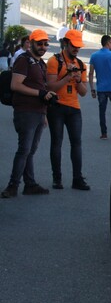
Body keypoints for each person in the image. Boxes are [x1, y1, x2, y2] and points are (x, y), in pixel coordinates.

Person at [1, 29, 57, 198]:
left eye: (45, 43)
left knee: (30, 151)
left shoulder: (40, 63)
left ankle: (30, 184)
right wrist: (39, 94)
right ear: (31, 43)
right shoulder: (23, 60)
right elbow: (15, 85)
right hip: (25, 111)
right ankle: (12, 186)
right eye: (39, 43)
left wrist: (45, 112)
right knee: (24, 150)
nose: (43, 46)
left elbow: (43, 88)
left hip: (39, 111)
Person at [45, 29, 90, 191]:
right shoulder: (54, 61)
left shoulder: (81, 65)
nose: (76, 49)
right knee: (56, 143)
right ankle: (57, 178)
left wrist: (78, 80)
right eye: (74, 46)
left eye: (78, 46)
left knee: (76, 143)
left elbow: (84, 93)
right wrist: (67, 77)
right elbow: (50, 87)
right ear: (66, 43)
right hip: (56, 107)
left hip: (74, 109)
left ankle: (77, 178)